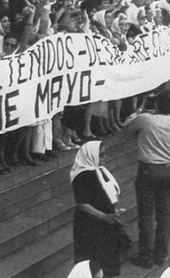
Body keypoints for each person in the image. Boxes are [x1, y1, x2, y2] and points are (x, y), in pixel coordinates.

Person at [121, 89, 170, 269]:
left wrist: (140, 109)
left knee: (146, 214)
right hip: (168, 169)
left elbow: (127, 125)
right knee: (164, 213)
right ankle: (161, 253)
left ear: (157, 103)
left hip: (148, 170)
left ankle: (146, 255)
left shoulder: (148, 120)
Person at [70, 141, 127, 277]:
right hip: (89, 225)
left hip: (105, 223)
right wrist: (104, 216)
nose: (105, 157)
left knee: (107, 261)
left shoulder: (100, 171)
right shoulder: (82, 176)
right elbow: (83, 204)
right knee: (93, 262)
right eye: (101, 155)